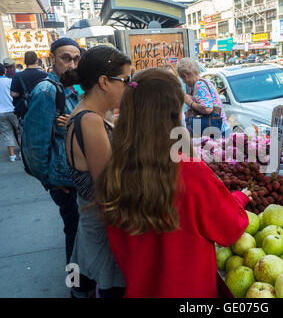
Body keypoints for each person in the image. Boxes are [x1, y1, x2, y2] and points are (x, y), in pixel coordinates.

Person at [94, 68, 250, 298]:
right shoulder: (191, 174)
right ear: (174, 115)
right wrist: (239, 198)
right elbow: (230, 229)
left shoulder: (113, 172)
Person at [61, 45, 132, 298]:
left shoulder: (88, 114)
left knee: (86, 285)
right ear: (104, 81)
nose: (129, 86)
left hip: (93, 222)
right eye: (126, 80)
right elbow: (109, 187)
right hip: (102, 229)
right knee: (109, 288)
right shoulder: (90, 121)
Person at [21, 38, 82, 271]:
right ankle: (76, 287)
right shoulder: (46, 90)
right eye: (66, 58)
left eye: (76, 58)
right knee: (75, 238)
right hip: (64, 183)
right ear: (52, 59)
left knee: (81, 236)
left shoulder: (73, 88)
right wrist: (51, 182)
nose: (72, 64)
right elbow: (34, 147)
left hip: (76, 179)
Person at [176, 58, 229, 135]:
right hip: (220, 129)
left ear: (185, 76)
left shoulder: (199, 85)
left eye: (182, 78)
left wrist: (190, 102)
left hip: (217, 131)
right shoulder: (204, 82)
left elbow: (207, 109)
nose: (184, 81)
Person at [0, 63, 20, 161]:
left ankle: (12, 155)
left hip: (1, 112)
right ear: (4, 71)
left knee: (7, 133)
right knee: (19, 131)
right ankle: (21, 152)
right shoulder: (10, 81)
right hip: (12, 109)